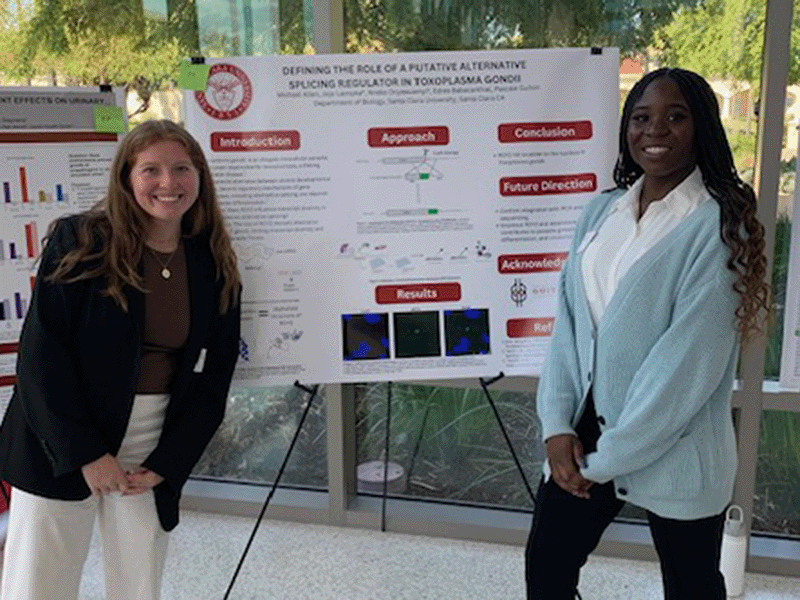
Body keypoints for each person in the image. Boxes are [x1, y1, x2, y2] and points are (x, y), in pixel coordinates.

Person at [525, 68, 769, 599]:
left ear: (702, 127)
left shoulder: (720, 226)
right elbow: (569, 329)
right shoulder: (599, 212)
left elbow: (684, 367)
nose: (654, 130)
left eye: (675, 117)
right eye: (641, 118)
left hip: (675, 442)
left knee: (691, 586)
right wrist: (555, 423)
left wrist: (610, 460)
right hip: (584, 432)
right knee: (546, 567)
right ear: (626, 129)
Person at [0, 119, 241, 600]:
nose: (168, 183)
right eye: (151, 169)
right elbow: (41, 359)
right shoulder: (82, 241)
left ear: (199, 177)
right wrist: (85, 453)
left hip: (152, 439)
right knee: (38, 584)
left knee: (138, 583)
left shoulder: (209, 260)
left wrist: (168, 462)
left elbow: (216, 378)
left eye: (181, 168)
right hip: (59, 435)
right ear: (127, 178)